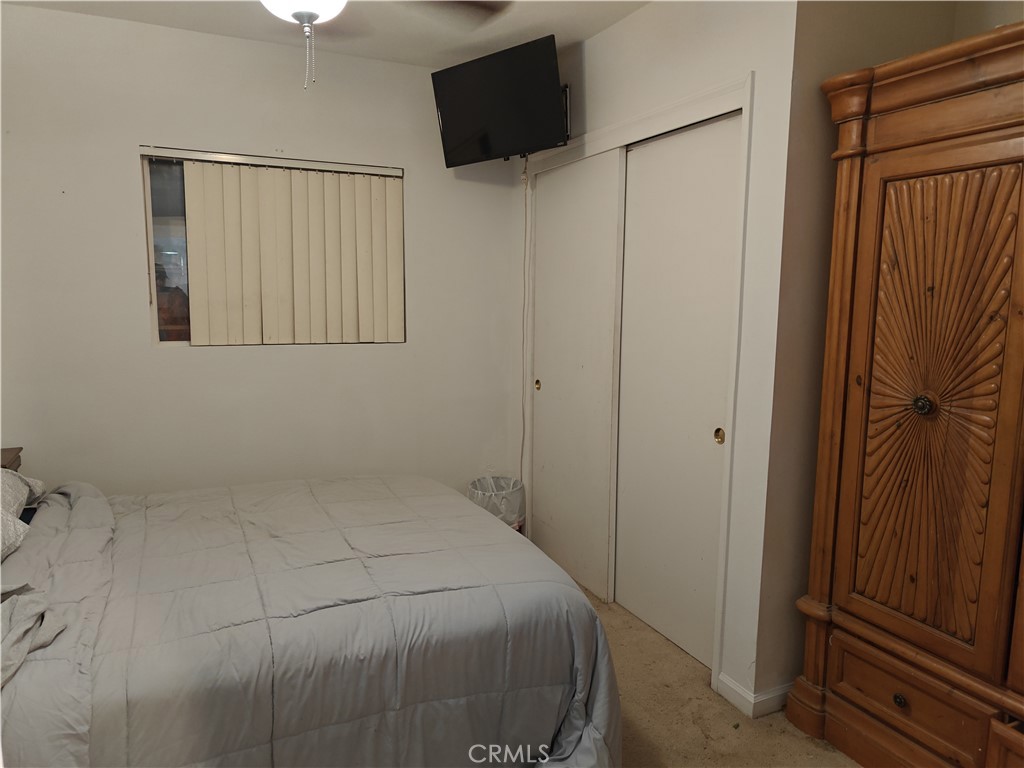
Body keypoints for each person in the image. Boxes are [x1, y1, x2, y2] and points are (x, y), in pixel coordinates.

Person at [154, 263, 190, 341]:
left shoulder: (175, 294)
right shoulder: (150, 298)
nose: (159, 282)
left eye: (161, 279)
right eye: (156, 279)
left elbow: (179, 320)